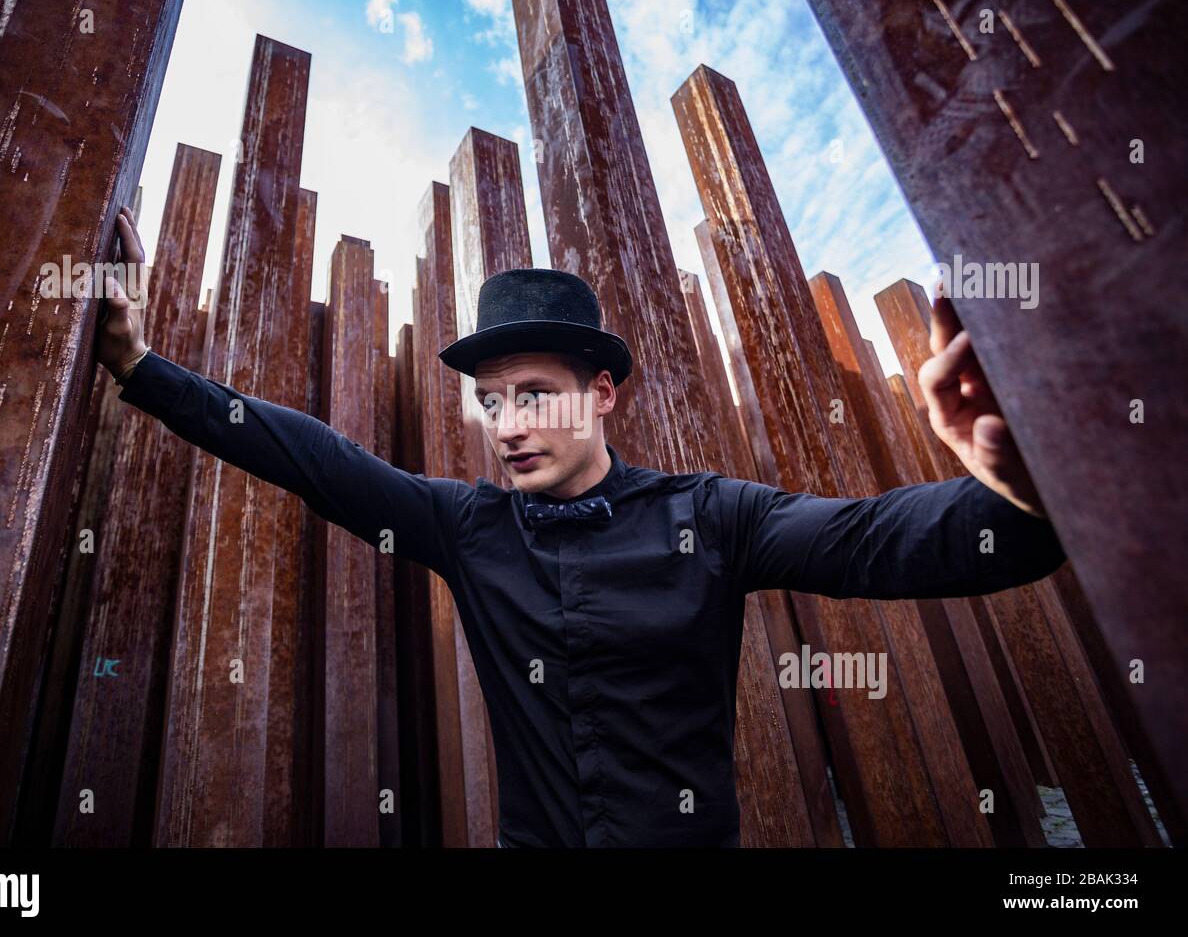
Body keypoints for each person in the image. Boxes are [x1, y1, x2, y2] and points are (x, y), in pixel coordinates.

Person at [98, 207, 1066, 847]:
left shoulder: (713, 513)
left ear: (600, 394)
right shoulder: (464, 524)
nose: (508, 424)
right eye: (490, 400)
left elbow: (878, 538)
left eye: (534, 395)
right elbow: (314, 457)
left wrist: (1025, 485)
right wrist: (139, 363)